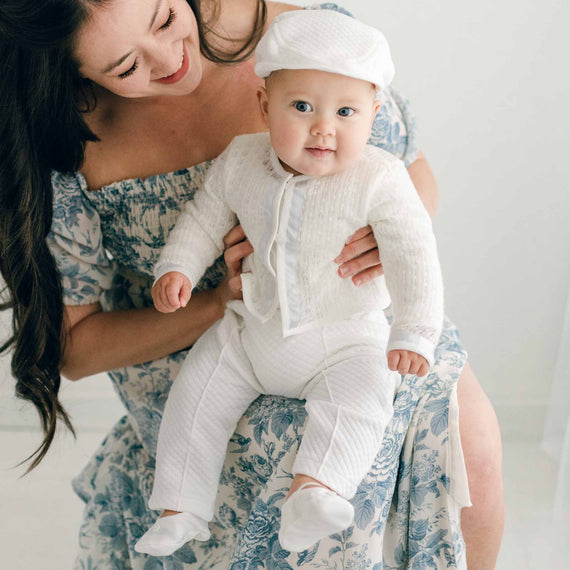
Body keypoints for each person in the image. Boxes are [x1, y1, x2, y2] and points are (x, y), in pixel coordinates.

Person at [0, 0, 504, 568]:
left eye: (165, 20)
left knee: (469, 448)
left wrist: (387, 247)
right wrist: (214, 301)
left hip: (347, 314)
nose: (168, 59)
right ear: (76, 73)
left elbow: (413, 172)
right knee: (283, 451)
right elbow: (75, 346)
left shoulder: (301, 38)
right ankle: (185, 507)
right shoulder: (69, 141)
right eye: (124, 68)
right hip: (197, 343)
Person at [135, 9, 443, 557]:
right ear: (264, 105)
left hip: (345, 337)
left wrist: (415, 334)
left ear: (374, 113)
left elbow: (415, 255)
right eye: (301, 107)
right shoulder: (241, 160)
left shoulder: (380, 178)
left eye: (346, 112)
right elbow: (205, 218)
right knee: (195, 393)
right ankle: (179, 508)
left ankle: (315, 492)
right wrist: (177, 267)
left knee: (366, 396)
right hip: (252, 330)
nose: (323, 127)